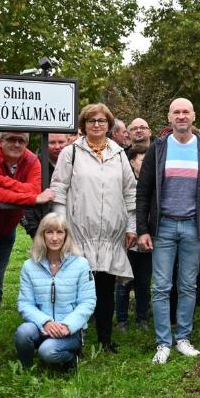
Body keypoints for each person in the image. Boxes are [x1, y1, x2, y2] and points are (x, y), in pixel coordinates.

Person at [136, 97, 200, 364]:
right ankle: (163, 343)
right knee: (161, 287)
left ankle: (183, 338)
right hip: (163, 227)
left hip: (193, 228)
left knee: (188, 286)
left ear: (194, 116)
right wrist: (142, 229)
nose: (181, 116)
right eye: (177, 112)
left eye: (186, 111)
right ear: (169, 117)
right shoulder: (158, 148)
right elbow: (144, 191)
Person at [50, 103, 137, 353]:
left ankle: (105, 340)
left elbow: (129, 191)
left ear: (109, 125)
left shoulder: (119, 154)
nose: (96, 125)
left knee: (106, 289)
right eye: (91, 121)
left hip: (110, 236)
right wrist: (60, 227)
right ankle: (76, 338)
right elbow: (59, 190)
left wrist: (131, 227)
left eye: (101, 121)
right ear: (83, 125)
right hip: (79, 232)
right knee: (80, 288)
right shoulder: (71, 153)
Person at [0, 132, 55, 357]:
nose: (16, 144)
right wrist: (31, 198)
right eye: (11, 139)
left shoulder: (32, 160)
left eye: (21, 141)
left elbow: (36, 189)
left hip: (6, 232)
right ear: (0, 140)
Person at [15, 213, 96, 369]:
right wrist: (45, 322)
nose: (54, 238)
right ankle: (26, 370)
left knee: (47, 351)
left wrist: (67, 325)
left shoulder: (81, 264)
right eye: (49, 232)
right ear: (42, 235)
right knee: (23, 332)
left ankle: (71, 359)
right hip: (41, 327)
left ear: (66, 236)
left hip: (70, 330)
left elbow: (88, 302)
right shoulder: (29, 266)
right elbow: (25, 304)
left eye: (60, 232)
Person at [116, 141, 153, 331]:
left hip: (147, 242)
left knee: (144, 282)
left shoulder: (153, 182)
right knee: (124, 281)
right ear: (132, 162)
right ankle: (122, 319)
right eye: (141, 160)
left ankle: (142, 318)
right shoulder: (126, 183)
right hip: (128, 240)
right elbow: (126, 211)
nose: (145, 163)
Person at [22, 132, 70, 239]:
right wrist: (35, 232)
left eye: (61, 142)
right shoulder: (34, 165)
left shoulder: (75, 164)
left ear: (68, 141)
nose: (58, 147)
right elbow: (26, 200)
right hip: (42, 228)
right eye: (52, 142)